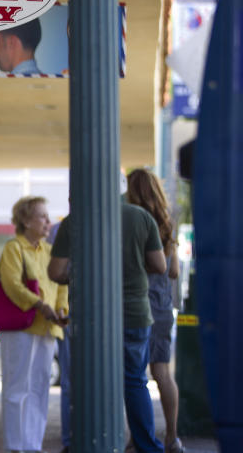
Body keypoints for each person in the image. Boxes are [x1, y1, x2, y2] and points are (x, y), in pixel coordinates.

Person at [48, 182, 168, 453]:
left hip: (91, 315)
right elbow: (160, 265)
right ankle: (147, 446)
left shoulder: (74, 221)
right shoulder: (141, 217)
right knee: (136, 380)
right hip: (135, 312)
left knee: (89, 380)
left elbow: (55, 272)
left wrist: (79, 274)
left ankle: (91, 441)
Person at [0, 196, 68, 453]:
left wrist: (61, 310)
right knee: (17, 388)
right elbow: (12, 285)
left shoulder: (50, 251)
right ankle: (15, 447)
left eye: (47, 216)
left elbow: (61, 285)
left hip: (47, 327)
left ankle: (32, 446)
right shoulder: (13, 248)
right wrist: (40, 305)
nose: (48, 221)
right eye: (42, 216)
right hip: (21, 327)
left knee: (39, 389)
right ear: (26, 221)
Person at [126, 169, 185, 453]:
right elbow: (172, 271)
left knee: (133, 375)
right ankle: (172, 437)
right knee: (162, 373)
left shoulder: (129, 219)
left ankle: (136, 437)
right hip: (161, 304)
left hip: (135, 302)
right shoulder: (166, 222)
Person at [47, 219, 72, 453]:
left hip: (68, 311)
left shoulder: (61, 229)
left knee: (69, 380)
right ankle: (69, 439)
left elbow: (56, 274)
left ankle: (69, 440)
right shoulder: (60, 229)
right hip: (68, 313)